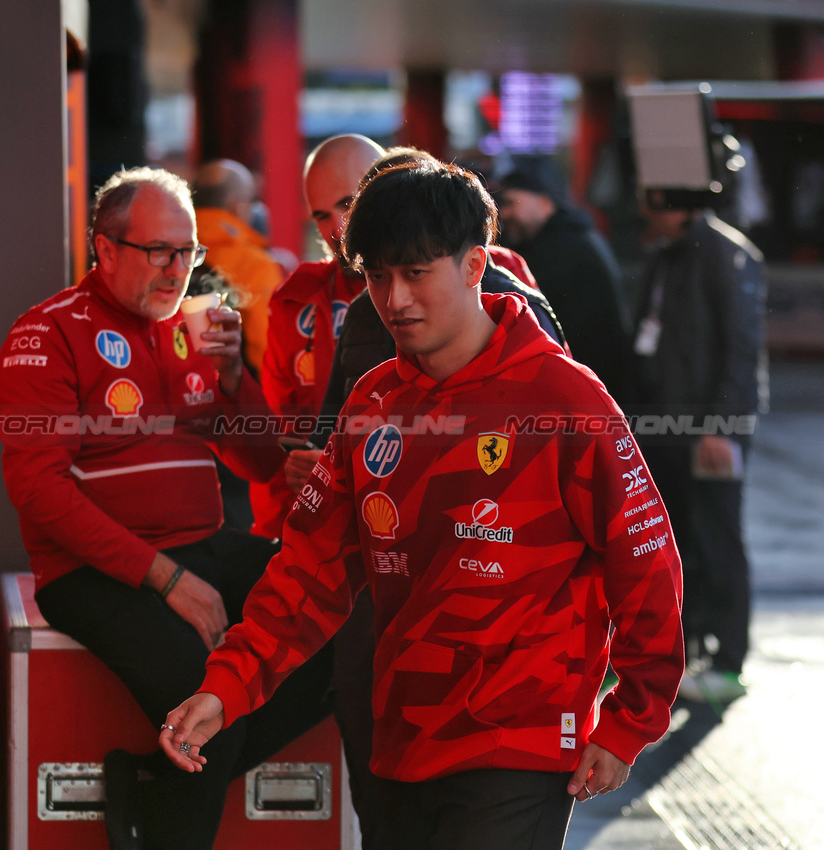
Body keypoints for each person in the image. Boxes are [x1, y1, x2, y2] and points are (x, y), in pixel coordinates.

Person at [158, 161, 685, 850]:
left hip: (520, 743)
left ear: (473, 267)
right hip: (401, 737)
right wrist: (225, 688)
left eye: (414, 272)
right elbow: (306, 571)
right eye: (377, 276)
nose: (394, 297)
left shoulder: (565, 399)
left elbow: (644, 563)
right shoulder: (371, 402)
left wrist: (626, 724)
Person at [0, 167, 333, 850]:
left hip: (204, 543)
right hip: (93, 572)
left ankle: (152, 779)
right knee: (209, 701)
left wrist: (236, 382)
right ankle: (171, 789)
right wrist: (166, 579)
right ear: (105, 248)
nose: (177, 270)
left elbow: (262, 465)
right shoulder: (47, 333)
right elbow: (38, 490)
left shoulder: (192, 328)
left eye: (188, 252)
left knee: (343, 619)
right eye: (159, 252)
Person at [304, 146, 567, 850]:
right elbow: (334, 443)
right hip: (383, 641)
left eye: (347, 209)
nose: (396, 296)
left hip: (499, 668)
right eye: (323, 216)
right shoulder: (365, 316)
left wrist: (624, 712)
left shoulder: (517, 318)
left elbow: (596, 514)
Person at [631, 197, 766, 705]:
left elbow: (740, 349)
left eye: (655, 203)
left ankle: (728, 661)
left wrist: (722, 428)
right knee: (679, 543)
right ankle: (687, 654)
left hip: (711, 427)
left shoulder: (729, 255)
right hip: (666, 427)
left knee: (718, 540)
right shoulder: (665, 254)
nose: (646, 213)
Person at [252, 134, 384, 540]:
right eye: (322, 215)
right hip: (320, 539)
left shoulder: (478, 276)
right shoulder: (294, 301)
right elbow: (278, 438)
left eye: (348, 203)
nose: (338, 228)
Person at [496, 161, 632, 401]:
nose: (504, 214)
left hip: (587, 394)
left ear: (545, 202)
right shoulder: (572, 237)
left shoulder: (563, 248)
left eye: (511, 202)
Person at [192, 159, 284, 377]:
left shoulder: (174, 252)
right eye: (252, 200)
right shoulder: (255, 265)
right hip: (231, 393)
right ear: (237, 205)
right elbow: (265, 351)